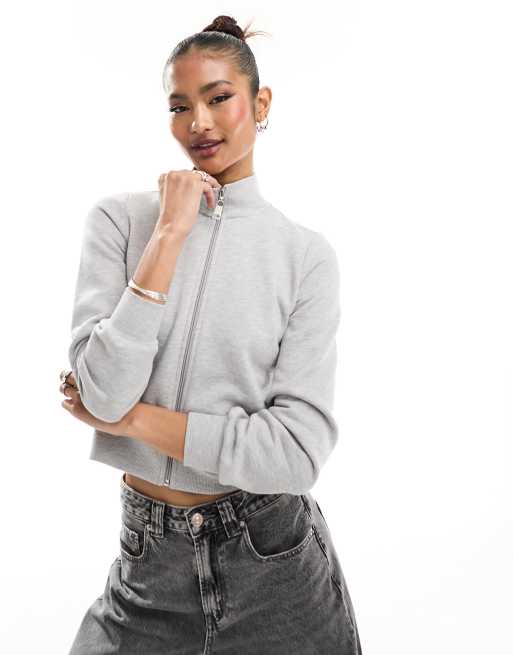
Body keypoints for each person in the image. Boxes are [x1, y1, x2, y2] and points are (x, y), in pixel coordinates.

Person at [60, 14, 363, 654]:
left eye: (219, 97)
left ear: (261, 103)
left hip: (274, 563)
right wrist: (169, 234)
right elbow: (102, 390)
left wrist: (133, 421)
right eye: (179, 106)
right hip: (147, 563)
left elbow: (295, 455)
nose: (198, 122)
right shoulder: (120, 223)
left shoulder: (304, 256)